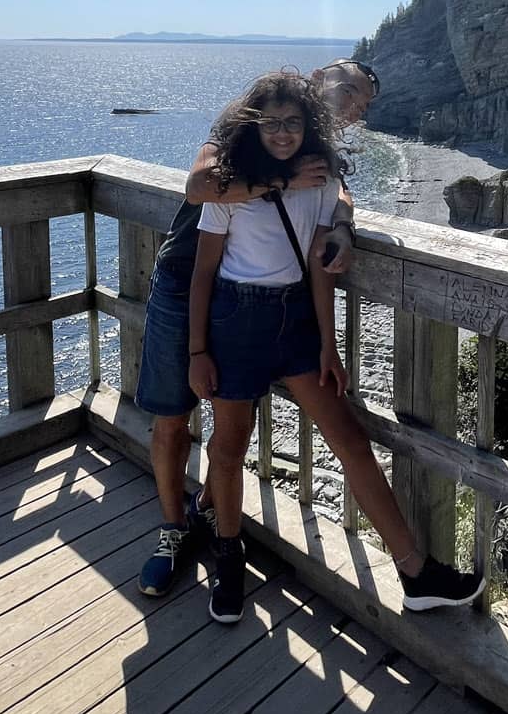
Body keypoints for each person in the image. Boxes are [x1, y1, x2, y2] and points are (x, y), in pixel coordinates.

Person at [186, 68, 483, 623]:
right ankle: (228, 558)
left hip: (295, 322)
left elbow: (320, 269)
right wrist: (196, 350)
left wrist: (329, 346)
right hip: (235, 321)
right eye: (271, 123)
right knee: (229, 447)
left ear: (308, 125)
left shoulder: (321, 180)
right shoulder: (231, 181)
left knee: (350, 440)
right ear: (255, 124)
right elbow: (204, 273)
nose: (282, 133)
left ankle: (416, 572)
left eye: (293, 124)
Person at [134, 59, 377, 597]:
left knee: (230, 422)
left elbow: (335, 193)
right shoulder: (250, 124)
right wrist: (285, 179)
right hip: (187, 281)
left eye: (364, 100)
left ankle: (210, 519)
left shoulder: (313, 150)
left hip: (248, 302)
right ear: (318, 78)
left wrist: (341, 224)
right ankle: (173, 531)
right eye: (351, 86)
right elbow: (200, 185)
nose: (355, 102)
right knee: (174, 413)